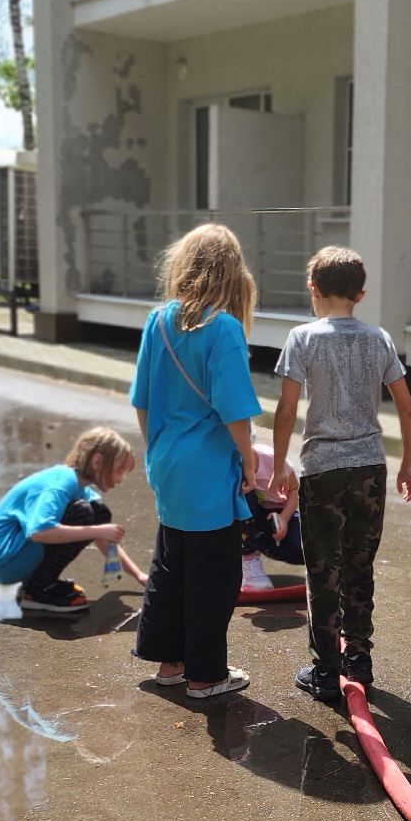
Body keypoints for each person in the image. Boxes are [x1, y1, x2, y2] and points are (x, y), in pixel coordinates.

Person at [270, 246, 411, 703]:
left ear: (313, 289)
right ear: (361, 293)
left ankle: (325, 672)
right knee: (360, 564)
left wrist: (279, 464)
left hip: (322, 469)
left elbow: (287, 408)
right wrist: (408, 464)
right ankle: (359, 658)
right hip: (370, 469)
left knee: (323, 570)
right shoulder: (378, 339)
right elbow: (408, 407)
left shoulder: (302, 338)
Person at [130, 223, 273, 700]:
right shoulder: (225, 328)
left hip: (167, 462)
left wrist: (157, 449)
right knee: (213, 574)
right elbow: (234, 410)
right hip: (209, 469)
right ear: (232, 273)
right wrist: (250, 463)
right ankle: (206, 675)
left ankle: (170, 664)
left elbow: (142, 400)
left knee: (171, 564)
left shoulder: (158, 321)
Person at [0, 426, 145, 615]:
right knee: (83, 514)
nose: (120, 479)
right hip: (3, 559)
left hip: (13, 554)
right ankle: (37, 592)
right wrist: (98, 531)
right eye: (118, 471)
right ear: (97, 462)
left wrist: (139, 576)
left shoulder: (79, 486)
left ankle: (40, 584)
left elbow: (103, 537)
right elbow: (39, 532)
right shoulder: (61, 483)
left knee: (99, 513)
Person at [240, 444, 303, 591]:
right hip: (251, 516)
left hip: (280, 513)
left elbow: (294, 490)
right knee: (241, 496)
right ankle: (248, 559)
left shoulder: (272, 459)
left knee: (299, 547)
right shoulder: (228, 468)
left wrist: (284, 518)